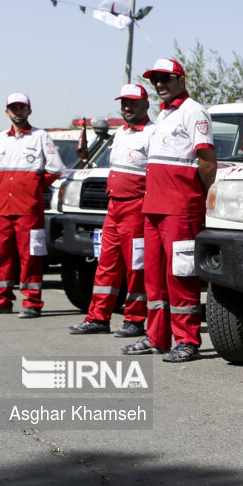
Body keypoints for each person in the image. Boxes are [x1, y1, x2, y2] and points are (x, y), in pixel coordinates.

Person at [123, 58, 216, 362]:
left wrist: (192, 196)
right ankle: (156, 336)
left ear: (180, 79)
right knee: (153, 275)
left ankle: (187, 340)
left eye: (166, 78)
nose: (161, 84)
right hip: (153, 209)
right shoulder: (163, 116)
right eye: (156, 80)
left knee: (180, 276)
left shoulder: (193, 112)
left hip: (180, 209)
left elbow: (207, 162)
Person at [69, 84, 154, 337]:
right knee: (106, 264)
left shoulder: (152, 133)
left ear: (146, 104)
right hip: (114, 208)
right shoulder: (120, 133)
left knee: (136, 267)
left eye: (133, 103)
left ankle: (135, 320)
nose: (127, 107)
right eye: (124, 103)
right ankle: (98, 317)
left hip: (137, 208)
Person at [0, 93, 63, 318]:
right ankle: (2, 300)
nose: (18, 111)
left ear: (29, 111)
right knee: (2, 255)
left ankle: (32, 303)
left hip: (29, 210)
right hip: (4, 208)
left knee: (31, 256)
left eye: (22, 107)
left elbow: (55, 169)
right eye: (13, 108)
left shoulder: (40, 136)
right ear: (7, 111)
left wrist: (34, 187)